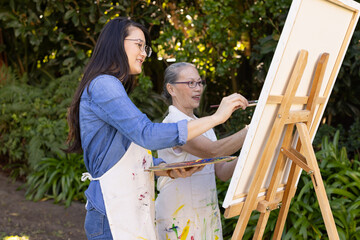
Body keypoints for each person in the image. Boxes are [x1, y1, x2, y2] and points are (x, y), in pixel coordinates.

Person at [65, 17, 248, 240]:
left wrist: (165, 168)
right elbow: (146, 134)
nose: (144, 53)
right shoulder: (104, 84)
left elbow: (126, 154)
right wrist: (218, 117)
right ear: (116, 42)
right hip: (112, 209)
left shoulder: (110, 86)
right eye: (139, 45)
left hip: (125, 208)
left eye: (145, 47)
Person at [155, 62, 249, 240]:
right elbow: (213, 151)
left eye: (199, 83)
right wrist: (251, 131)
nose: (198, 89)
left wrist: (251, 151)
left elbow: (221, 171)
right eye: (190, 83)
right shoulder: (173, 123)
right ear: (171, 89)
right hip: (179, 216)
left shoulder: (203, 124)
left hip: (206, 213)